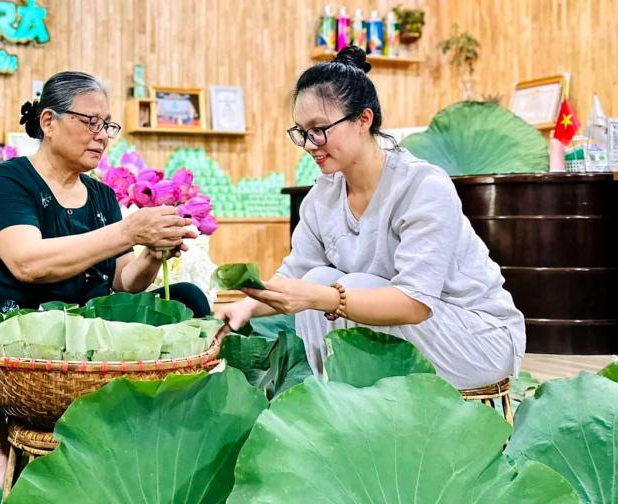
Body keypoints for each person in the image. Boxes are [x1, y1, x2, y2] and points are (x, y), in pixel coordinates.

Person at [0, 71, 208, 484]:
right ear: (49, 122)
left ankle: (173, 434)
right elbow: (29, 264)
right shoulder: (9, 180)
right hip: (14, 333)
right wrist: (128, 231)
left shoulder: (103, 197)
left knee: (188, 299)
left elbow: (124, 282)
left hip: (87, 336)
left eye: (107, 125)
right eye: (90, 121)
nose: (101, 135)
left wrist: (151, 253)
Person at [219, 46, 526, 393]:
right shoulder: (323, 194)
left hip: (476, 340)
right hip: (408, 336)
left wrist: (322, 297)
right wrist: (244, 306)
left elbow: (413, 303)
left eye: (319, 129)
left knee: (335, 288)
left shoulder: (422, 186)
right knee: (319, 277)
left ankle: (352, 406)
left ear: (363, 120)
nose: (308, 144)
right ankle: (345, 405)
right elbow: (296, 274)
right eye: (302, 132)